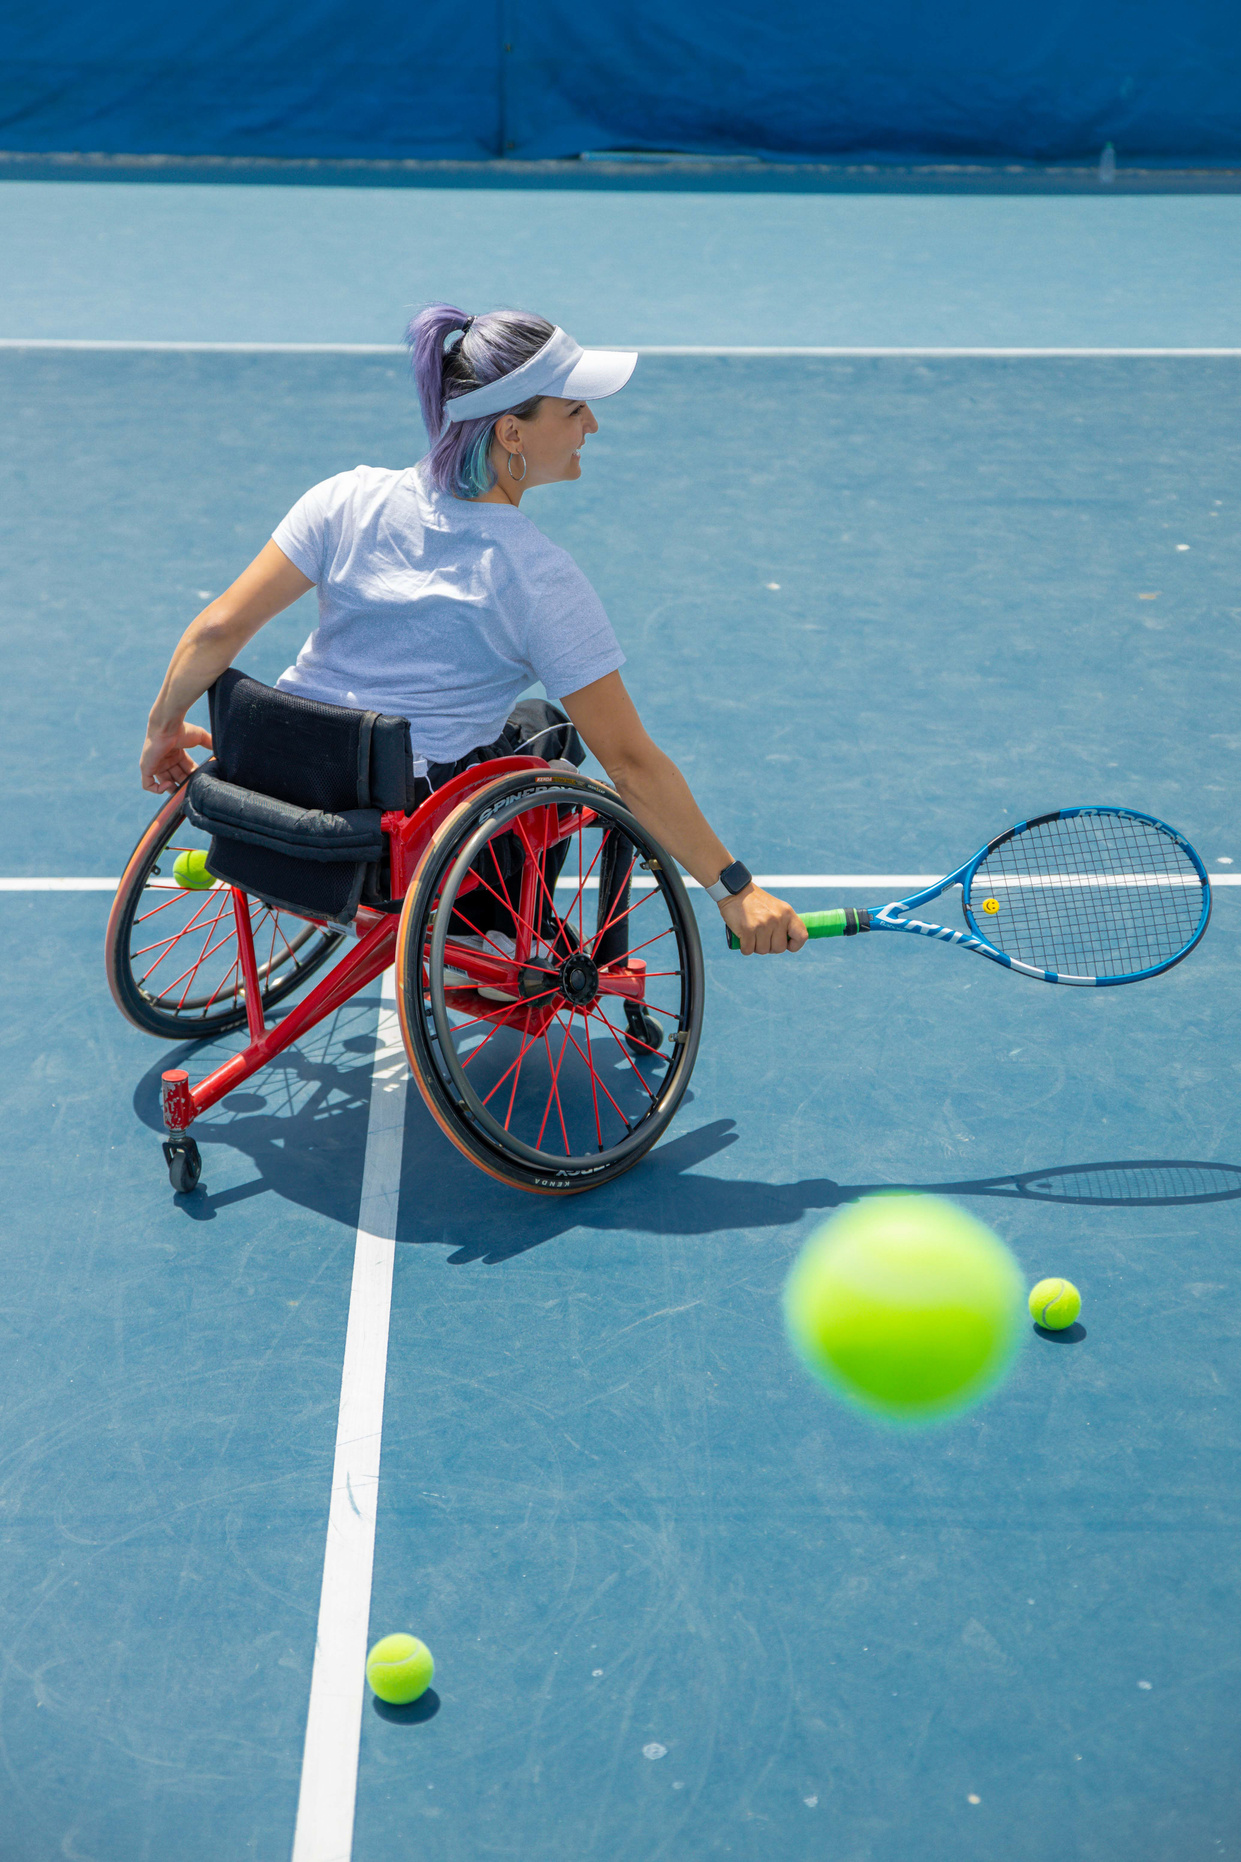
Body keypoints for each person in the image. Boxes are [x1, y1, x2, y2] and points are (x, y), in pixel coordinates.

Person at [138, 304, 807, 957]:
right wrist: (732, 889)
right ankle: (490, 929)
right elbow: (629, 764)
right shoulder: (538, 579)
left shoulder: (343, 497)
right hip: (402, 836)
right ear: (510, 433)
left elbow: (217, 629)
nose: (593, 425)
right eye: (573, 411)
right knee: (550, 735)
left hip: (278, 788)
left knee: (536, 716)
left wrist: (163, 728)